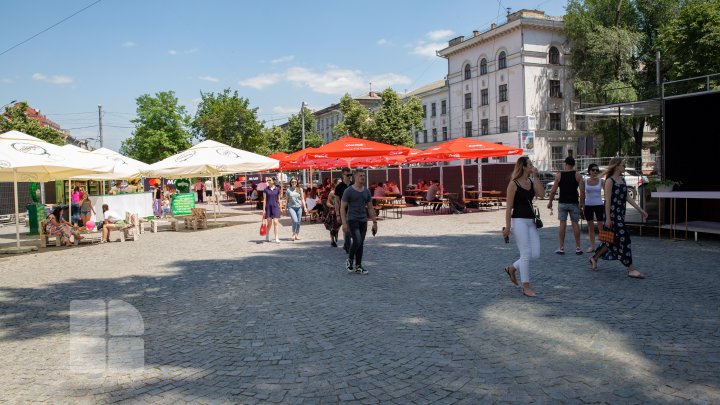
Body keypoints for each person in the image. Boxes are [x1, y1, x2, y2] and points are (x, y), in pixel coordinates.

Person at [588, 157, 648, 278]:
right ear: (616, 166)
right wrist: (608, 219)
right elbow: (608, 200)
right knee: (625, 239)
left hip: (620, 214)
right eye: (623, 165)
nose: (624, 167)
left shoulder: (622, 179)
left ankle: (594, 258)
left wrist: (641, 211)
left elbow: (628, 198)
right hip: (613, 215)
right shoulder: (609, 181)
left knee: (611, 240)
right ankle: (631, 269)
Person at [502, 156, 545, 297]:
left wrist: (536, 176)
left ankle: (512, 268)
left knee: (536, 253)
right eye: (530, 164)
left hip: (531, 221)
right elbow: (508, 208)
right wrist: (507, 227)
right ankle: (526, 287)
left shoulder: (532, 181)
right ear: (524, 167)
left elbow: (542, 194)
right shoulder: (513, 184)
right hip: (518, 220)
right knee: (526, 253)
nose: (532, 166)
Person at [340, 169, 378, 274]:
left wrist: (375, 223)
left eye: (364, 175)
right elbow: (342, 208)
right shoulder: (348, 191)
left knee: (360, 243)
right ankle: (350, 259)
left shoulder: (367, 191)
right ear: (355, 177)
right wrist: (344, 223)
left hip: (363, 220)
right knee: (357, 240)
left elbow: (370, 208)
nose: (363, 177)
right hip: (352, 219)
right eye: (361, 175)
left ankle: (358, 266)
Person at [547, 156, 585, 255]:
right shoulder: (578, 175)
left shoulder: (559, 175)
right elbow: (582, 191)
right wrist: (582, 203)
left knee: (562, 224)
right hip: (573, 202)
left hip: (562, 202)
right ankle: (578, 247)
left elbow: (553, 191)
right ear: (573, 164)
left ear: (566, 164)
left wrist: (550, 202)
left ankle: (561, 247)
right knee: (575, 224)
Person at [583, 163, 605, 252]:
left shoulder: (601, 181)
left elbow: (607, 192)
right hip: (588, 205)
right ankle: (592, 246)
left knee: (600, 226)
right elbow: (582, 193)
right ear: (589, 171)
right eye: (593, 170)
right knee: (590, 226)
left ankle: (603, 245)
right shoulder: (585, 180)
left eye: (597, 170)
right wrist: (581, 205)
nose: (595, 172)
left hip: (599, 204)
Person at [334, 168, 353, 253]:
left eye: (350, 175)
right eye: (347, 175)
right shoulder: (339, 187)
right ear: (343, 175)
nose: (349, 177)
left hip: (354, 211)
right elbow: (337, 202)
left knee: (353, 230)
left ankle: (347, 244)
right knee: (346, 230)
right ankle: (348, 247)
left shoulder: (354, 185)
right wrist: (338, 214)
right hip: (344, 211)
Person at [285, 177, 309, 241]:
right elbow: (287, 200)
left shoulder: (300, 189)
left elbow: (302, 199)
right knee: (295, 221)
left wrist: (305, 207)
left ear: (297, 182)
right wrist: (285, 209)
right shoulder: (288, 190)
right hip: (291, 207)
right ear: (290, 183)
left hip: (299, 207)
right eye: (292, 182)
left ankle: (297, 234)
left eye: (295, 182)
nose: (294, 183)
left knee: (298, 222)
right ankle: (293, 234)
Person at [262, 177, 282, 243]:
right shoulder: (265, 190)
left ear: (273, 181)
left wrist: (281, 207)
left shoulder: (277, 189)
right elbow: (264, 200)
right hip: (268, 207)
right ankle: (267, 235)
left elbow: (279, 199)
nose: (268, 181)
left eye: (269, 180)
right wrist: (263, 210)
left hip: (275, 207)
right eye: (267, 180)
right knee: (269, 223)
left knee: (276, 222)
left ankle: (276, 237)